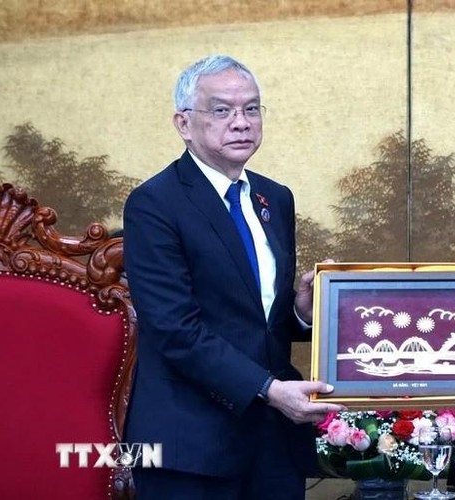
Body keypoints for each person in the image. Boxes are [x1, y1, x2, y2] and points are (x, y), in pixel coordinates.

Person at [123, 55, 343, 500]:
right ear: (184, 124)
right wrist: (268, 389)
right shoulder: (154, 204)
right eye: (221, 110)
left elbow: (257, 317)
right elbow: (174, 330)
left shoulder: (273, 198)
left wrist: (299, 315)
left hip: (272, 441)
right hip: (190, 445)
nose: (241, 123)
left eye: (252, 108)